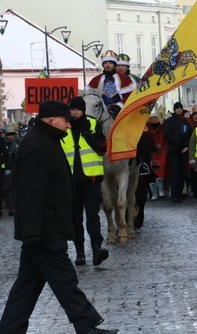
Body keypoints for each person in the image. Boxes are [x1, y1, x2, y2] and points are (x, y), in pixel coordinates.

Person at [0, 100, 117, 334]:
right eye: (65, 121)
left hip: (45, 228)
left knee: (26, 287)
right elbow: (30, 193)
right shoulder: (36, 145)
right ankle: (86, 325)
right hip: (44, 230)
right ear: (51, 120)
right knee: (65, 280)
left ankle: (10, 330)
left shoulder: (46, 141)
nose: (69, 126)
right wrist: (32, 232)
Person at [62, 96, 109, 267]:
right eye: (72, 109)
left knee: (92, 215)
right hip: (71, 180)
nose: (75, 112)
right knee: (75, 217)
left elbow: (103, 148)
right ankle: (80, 252)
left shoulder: (93, 124)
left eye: (78, 109)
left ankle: (97, 249)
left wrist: (87, 134)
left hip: (91, 178)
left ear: (83, 110)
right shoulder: (64, 126)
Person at [164, 101, 193, 203]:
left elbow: (190, 134)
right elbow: (167, 135)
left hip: (183, 151)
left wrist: (186, 145)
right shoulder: (170, 121)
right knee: (175, 172)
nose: (179, 110)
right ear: (174, 110)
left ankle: (180, 194)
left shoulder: (185, 122)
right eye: (177, 108)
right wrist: (179, 142)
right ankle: (174, 194)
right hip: (174, 150)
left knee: (182, 173)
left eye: (180, 108)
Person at [2, 123, 20, 217]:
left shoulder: (18, 143)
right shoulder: (3, 143)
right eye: (8, 135)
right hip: (5, 169)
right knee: (6, 189)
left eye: (11, 134)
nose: (10, 137)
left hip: (16, 169)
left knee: (13, 189)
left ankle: (12, 208)